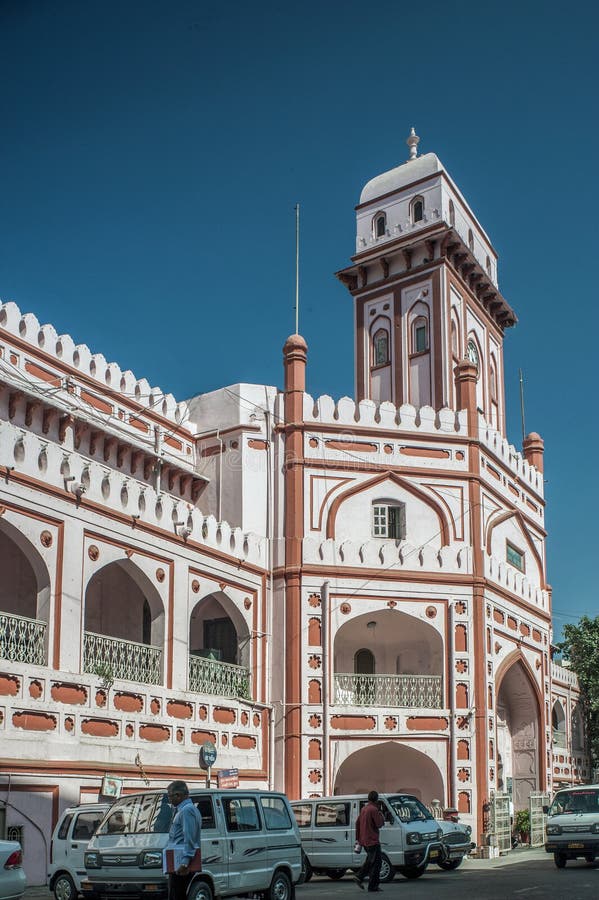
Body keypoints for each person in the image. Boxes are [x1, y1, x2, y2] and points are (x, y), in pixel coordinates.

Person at [166, 781, 202, 900]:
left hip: (182, 863)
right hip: (178, 861)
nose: (169, 799)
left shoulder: (187, 810)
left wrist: (185, 862)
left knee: (177, 895)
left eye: (170, 796)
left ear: (178, 795)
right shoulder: (184, 810)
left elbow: (190, 837)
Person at [353, 791, 385, 892]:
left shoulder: (364, 809)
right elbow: (379, 824)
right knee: (374, 862)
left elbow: (357, 823)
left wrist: (358, 839)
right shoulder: (374, 809)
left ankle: (371, 885)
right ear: (376, 799)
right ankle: (361, 877)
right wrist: (381, 814)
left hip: (365, 840)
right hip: (372, 840)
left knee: (373, 861)